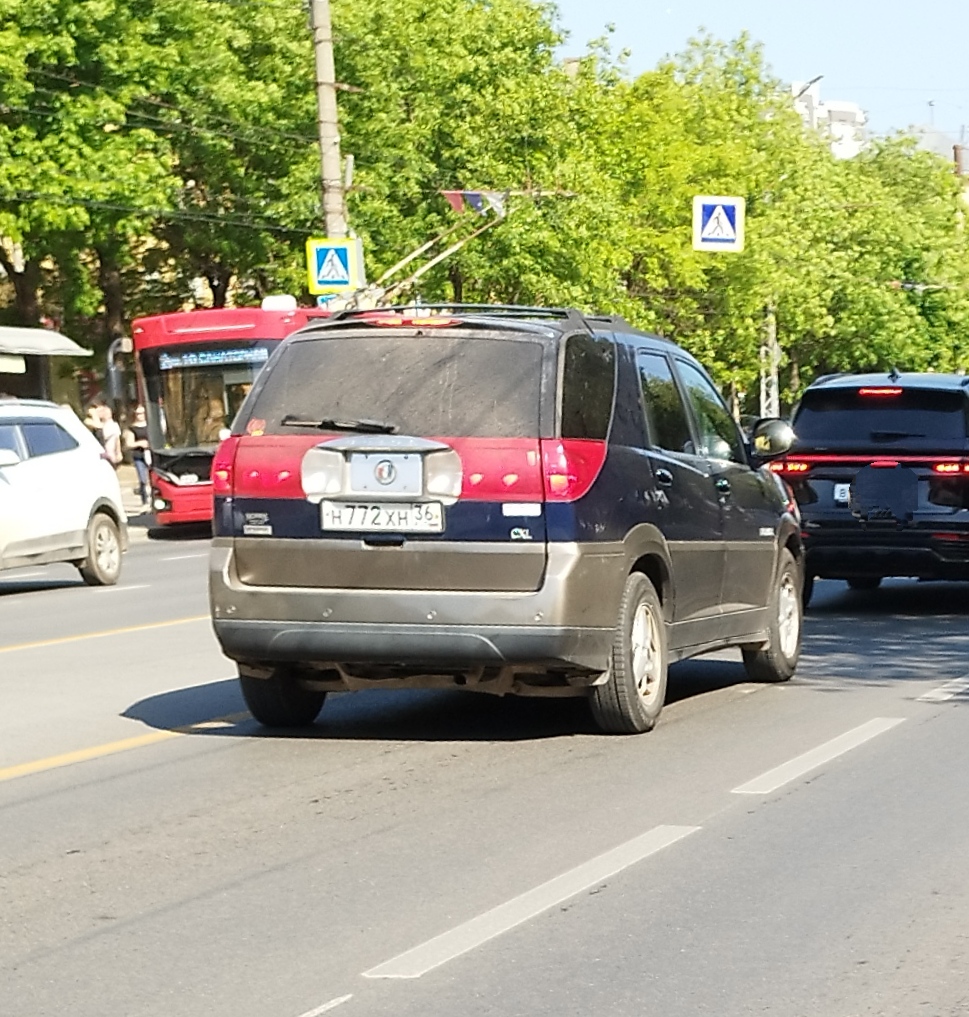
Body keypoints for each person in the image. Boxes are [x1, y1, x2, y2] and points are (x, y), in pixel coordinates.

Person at [125, 405, 151, 509]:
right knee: (143, 479)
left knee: (154, 479)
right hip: (139, 456)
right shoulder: (132, 428)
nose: (141, 416)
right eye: (138, 413)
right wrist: (140, 443)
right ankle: (145, 501)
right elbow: (129, 444)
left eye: (143, 413)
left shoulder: (151, 425)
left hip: (151, 455)